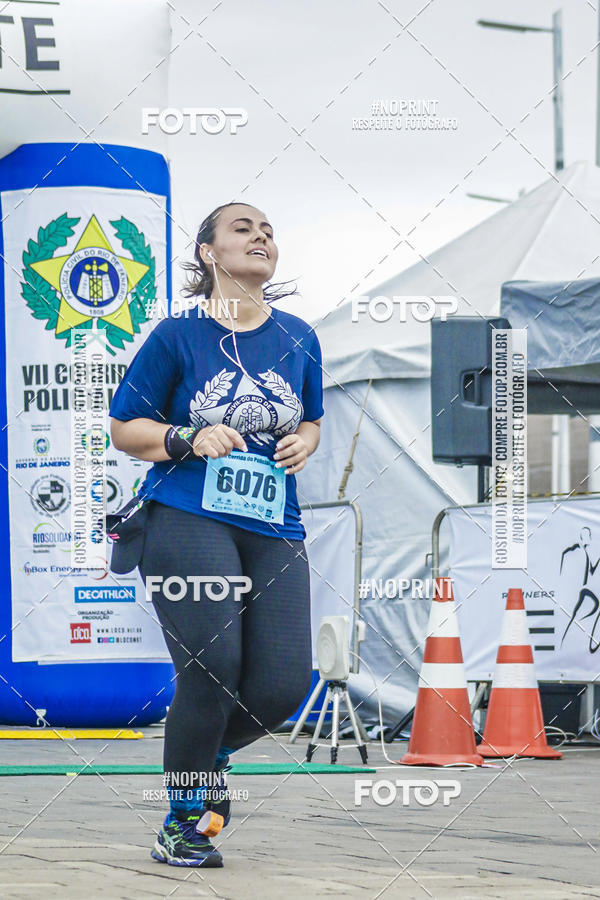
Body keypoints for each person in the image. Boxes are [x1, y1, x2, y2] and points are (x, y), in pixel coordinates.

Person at [108, 202, 324, 868]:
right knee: (212, 667)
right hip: (186, 514)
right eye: (243, 228)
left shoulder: (299, 336)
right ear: (208, 252)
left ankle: (208, 757)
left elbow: (311, 418)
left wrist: (305, 443)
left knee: (285, 684)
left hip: (273, 522)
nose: (261, 236)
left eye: (269, 230)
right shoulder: (178, 335)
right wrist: (188, 437)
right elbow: (125, 428)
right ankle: (182, 820)